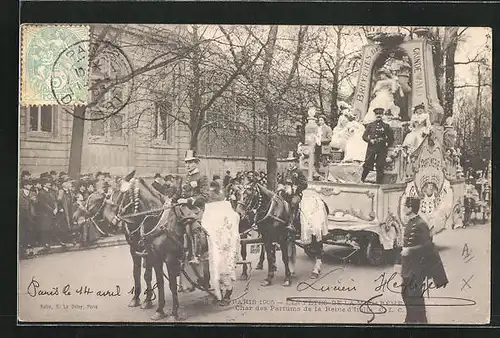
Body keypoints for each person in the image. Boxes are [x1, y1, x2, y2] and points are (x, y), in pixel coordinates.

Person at [399, 196, 448, 324]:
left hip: (417, 267)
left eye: (405, 205)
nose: (403, 207)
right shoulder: (410, 222)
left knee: (414, 295)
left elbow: (428, 246)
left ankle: (420, 321)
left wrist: (410, 250)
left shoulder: (421, 224)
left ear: (410, 208)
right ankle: (411, 318)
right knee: (405, 294)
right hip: (408, 266)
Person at [174, 150, 209, 265]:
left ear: (195, 162)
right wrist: (170, 200)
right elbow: (178, 192)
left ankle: (196, 254)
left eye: (190, 162)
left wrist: (188, 200)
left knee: (193, 226)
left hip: (196, 209)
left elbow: (205, 196)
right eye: (186, 163)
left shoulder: (202, 177)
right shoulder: (185, 177)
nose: (187, 165)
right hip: (182, 207)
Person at [361, 107, 394, 184]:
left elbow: (391, 138)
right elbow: (364, 136)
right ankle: (362, 179)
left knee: (380, 166)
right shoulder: (370, 125)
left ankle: (379, 183)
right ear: (375, 115)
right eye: (377, 114)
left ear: (382, 115)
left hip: (381, 149)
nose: (378, 115)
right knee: (367, 164)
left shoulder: (386, 126)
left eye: (380, 114)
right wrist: (370, 140)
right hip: (372, 148)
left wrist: (386, 144)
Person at [277, 151, 308, 234]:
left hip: (296, 195)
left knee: (293, 203)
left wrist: (296, 188)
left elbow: (305, 184)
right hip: (285, 193)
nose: (290, 164)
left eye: (292, 161)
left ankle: (291, 223)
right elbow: (280, 181)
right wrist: (280, 186)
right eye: (288, 162)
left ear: (295, 162)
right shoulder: (285, 172)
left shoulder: (299, 172)